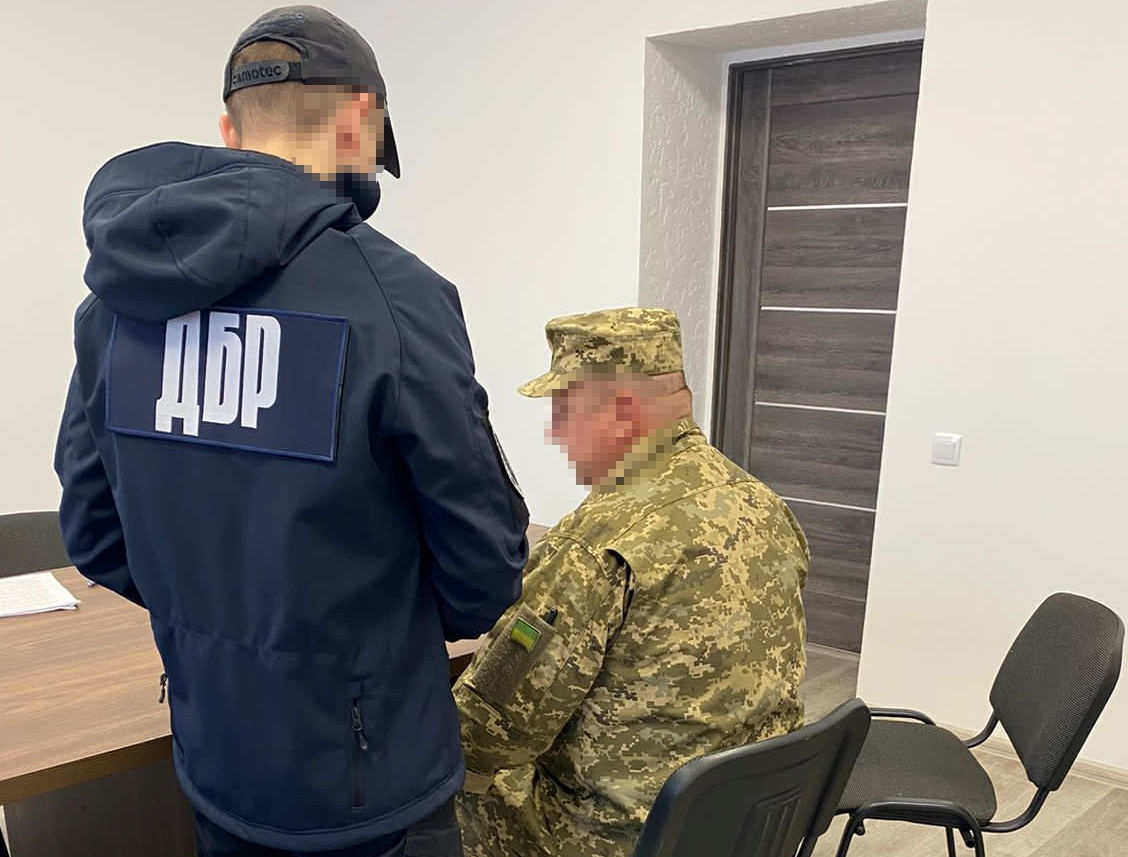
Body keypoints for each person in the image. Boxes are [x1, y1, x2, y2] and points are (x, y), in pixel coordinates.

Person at [53, 6, 528, 856]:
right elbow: (483, 571)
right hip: (373, 779)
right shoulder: (397, 299)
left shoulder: (113, 307)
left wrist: (214, 623)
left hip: (215, 755)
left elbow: (93, 532)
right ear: (357, 122)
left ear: (230, 131)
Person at [450, 307, 810, 857]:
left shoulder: (597, 543)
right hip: (745, 822)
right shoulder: (762, 504)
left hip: (616, 838)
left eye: (563, 412)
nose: (555, 433)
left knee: (430, 789)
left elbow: (491, 727)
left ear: (620, 413)